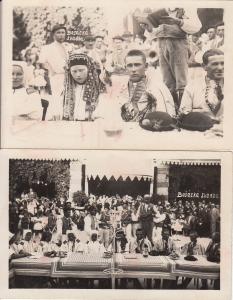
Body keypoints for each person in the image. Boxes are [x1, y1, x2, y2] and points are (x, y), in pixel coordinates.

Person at [139, 8, 201, 111]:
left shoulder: (185, 7)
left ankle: (183, 110)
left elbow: (196, 27)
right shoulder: (161, 8)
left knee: (181, 80)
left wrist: (179, 21)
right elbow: (153, 33)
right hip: (161, 44)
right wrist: (148, 28)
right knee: (167, 81)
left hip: (178, 43)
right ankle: (172, 110)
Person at [119, 49, 176, 122]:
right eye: (129, 65)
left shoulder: (157, 87)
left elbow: (163, 118)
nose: (133, 69)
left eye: (137, 65)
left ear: (146, 66)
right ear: (125, 68)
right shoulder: (123, 89)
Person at [179, 48, 224, 121]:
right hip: (199, 129)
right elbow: (183, 115)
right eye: (215, 64)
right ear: (204, 66)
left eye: (223, 63)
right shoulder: (192, 86)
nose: (220, 67)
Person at [39, 24, 72, 120]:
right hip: (55, 77)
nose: (61, 35)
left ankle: (64, 119)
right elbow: (42, 62)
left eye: (63, 33)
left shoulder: (67, 47)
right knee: (55, 98)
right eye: (58, 33)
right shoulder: (47, 47)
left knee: (65, 99)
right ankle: (55, 120)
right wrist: (51, 71)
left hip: (67, 76)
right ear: (53, 34)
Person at [63, 53, 105, 121]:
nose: (78, 75)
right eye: (74, 71)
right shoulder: (67, 90)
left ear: (88, 69)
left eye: (81, 70)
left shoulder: (98, 88)